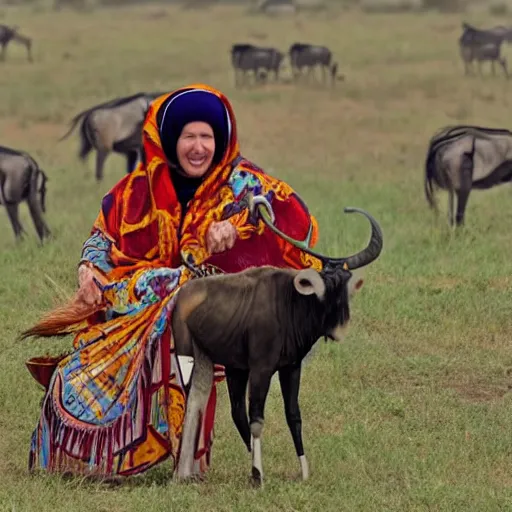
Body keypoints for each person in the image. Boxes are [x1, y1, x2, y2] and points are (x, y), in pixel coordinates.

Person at [24, 83, 322, 478]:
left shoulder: (240, 180)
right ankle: (99, 461)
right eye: (188, 136)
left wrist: (235, 227)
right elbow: (102, 236)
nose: (199, 147)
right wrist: (89, 270)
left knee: (177, 339)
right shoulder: (138, 188)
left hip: (215, 312)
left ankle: (188, 458)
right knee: (75, 374)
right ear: (169, 140)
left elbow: (282, 212)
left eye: (207, 137)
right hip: (137, 300)